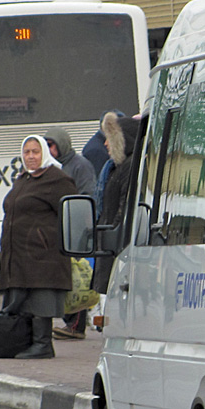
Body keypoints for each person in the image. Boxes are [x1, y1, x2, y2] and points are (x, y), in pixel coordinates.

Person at [0, 135, 78, 359]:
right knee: (23, 297)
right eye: (27, 152)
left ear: (45, 152)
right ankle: (27, 342)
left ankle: (43, 345)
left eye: (35, 151)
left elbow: (71, 214)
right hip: (20, 252)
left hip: (44, 253)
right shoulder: (24, 178)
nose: (31, 156)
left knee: (41, 297)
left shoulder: (57, 179)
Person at [45, 129, 95, 341]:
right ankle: (69, 321)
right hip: (59, 228)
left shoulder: (79, 165)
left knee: (78, 278)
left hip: (76, 229)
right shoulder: (52, 167)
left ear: (61, 145)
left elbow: (87, 195)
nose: (49, 149)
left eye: (52, 145)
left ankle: (76, 325)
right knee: (65, 277)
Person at [92, 112, 141, 295]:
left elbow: (123, 211)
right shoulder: (116, 168)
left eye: (110, 139)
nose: (105, 144)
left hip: (116, 253)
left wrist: (112, 237)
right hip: (110, 251)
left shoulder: (129, 168)